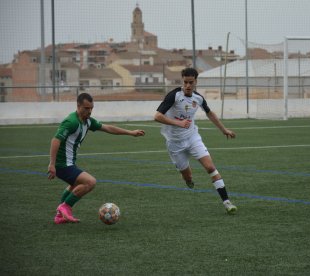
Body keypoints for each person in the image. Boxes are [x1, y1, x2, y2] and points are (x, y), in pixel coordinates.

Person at [48, 93, 145, 224]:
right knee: (90, 182)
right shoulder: (71, 121)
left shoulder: (87, 121)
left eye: (91, 108)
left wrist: (130, 133)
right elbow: (55, 140)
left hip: (69, 163)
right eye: (86, 108)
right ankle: (65, 206)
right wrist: (52, 164)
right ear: (78, 106)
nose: (89, 111)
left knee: (74, 185)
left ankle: (59, 216)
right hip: (62, 164)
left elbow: (108, 128)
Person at [154, 67, 237, 214]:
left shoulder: (198, 98)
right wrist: (178, 123)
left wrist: (224, 130)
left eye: (191, 82)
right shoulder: (174, 95)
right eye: (185, 82)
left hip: (193, 138)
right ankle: (187, 179)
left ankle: (227, 202)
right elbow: (157, 116)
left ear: (196, 82)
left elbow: (209, 113)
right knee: (188, 176)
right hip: (175, 143)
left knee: (210, 168)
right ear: (182, 81)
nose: (187, 86)